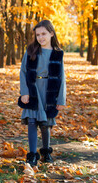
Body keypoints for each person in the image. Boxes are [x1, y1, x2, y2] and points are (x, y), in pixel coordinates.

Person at [18, 20, 66, 166]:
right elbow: (23, 72)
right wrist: (24, 92)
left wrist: (61, 99)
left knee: (45, 123)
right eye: (38, 35)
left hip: (48, 90)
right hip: (33, 88)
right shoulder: (31, 50)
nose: (41, 37)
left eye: (44, 34)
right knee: (32, 121)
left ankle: (45, 152)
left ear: (51, 33)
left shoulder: (57, 54)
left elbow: (62, 77)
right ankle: (32, 155)